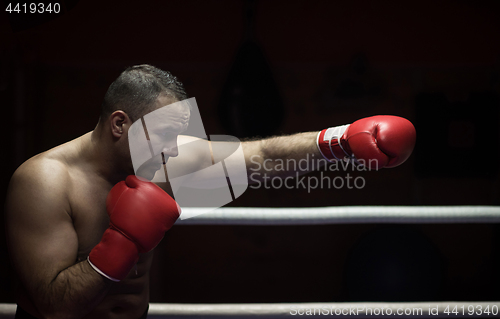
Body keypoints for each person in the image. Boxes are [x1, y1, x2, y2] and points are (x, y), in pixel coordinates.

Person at [5, 64, 416, 319]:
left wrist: (340, 141)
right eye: (165, 136)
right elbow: (54, 308)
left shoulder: (162, 161)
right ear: (119, 124)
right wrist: (123, 241)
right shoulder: (45, 180)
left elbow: (263, 158)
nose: (173, 150)